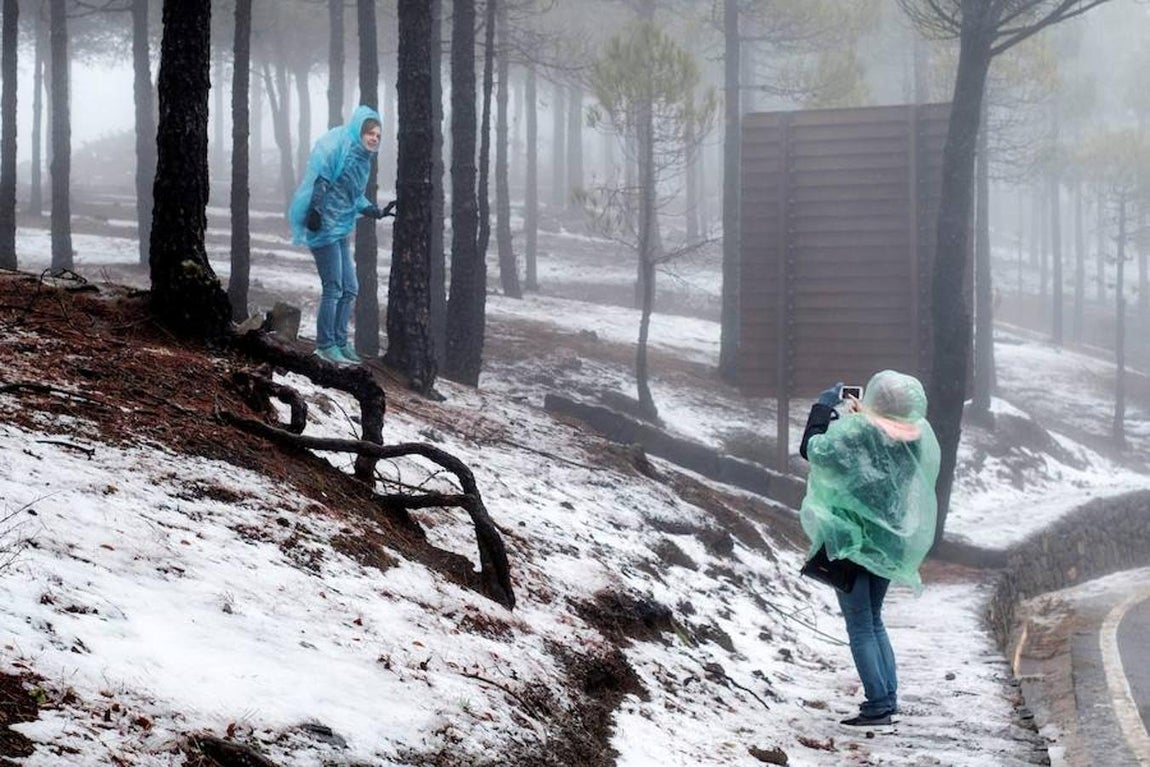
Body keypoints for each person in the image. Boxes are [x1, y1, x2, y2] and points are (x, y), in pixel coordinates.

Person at [797, 370, 940, 728]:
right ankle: (887, 697)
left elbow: (813, 450)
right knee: (874, 621)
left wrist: (823, 409)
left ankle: (877, 704)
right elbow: (881, 453)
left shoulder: (860, 432)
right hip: (887, 542)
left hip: (852, 540)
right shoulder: (914, 437)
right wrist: (864, 417)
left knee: (860, 625)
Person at [288, 104, 396, 366]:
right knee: (334, 287)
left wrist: (376, 211)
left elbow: (354, 195)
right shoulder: (342, 151)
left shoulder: (363, 161)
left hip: (340, 229)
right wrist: (314, 210)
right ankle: (325, 346)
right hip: (322, 227)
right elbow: (322, 179)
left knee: (350, 288)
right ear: (358, 131)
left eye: (378, 135)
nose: (374, 138)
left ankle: (339, 341)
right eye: (370, 132)